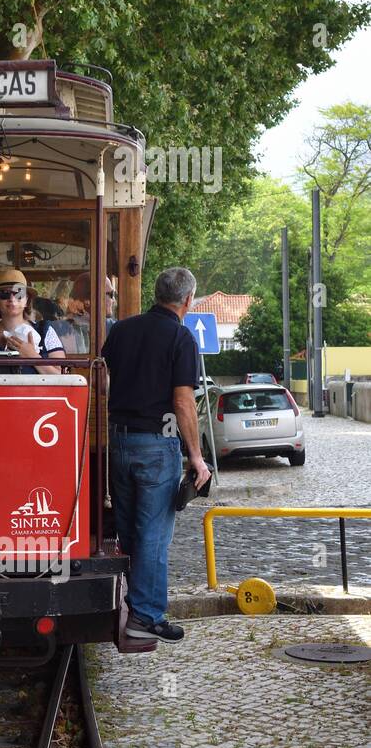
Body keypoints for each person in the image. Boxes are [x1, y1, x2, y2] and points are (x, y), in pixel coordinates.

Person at [101, 266, 212, 643]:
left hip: (118, 442)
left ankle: (136, 605)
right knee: (154, 534)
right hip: (156, 445)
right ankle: (146, 616)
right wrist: (196, 457)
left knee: (131, 529)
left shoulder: (120, 331)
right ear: (187, 300)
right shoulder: (180, 338)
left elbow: (108, 379)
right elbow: (183, 402)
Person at [0, 268, 66, 374]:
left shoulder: (46, 331)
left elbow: (61, 375)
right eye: (4, 294)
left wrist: (32, 356)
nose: (12, 299)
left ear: (27, 300)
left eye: (19, 293)